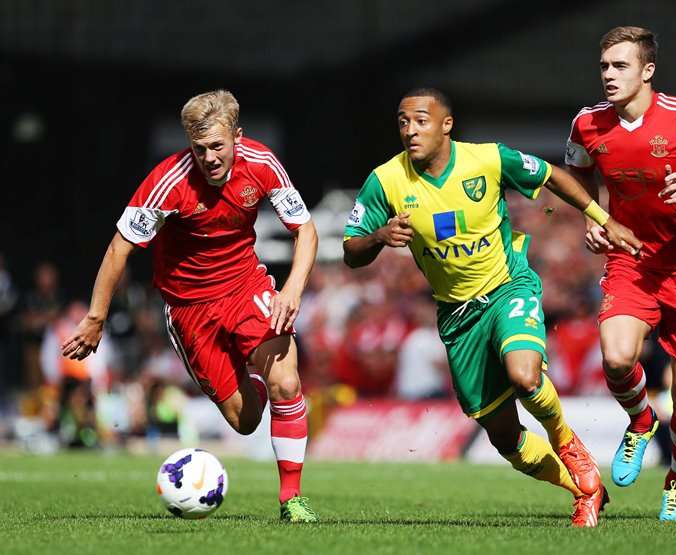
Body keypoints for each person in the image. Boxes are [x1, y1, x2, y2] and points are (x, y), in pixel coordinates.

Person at [343, 87, 642, 527]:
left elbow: (554, 177)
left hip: (507, 286)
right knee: (506, 440)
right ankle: (584, 489)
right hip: (457, 318)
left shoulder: (487, 159)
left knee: (525, 375)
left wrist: (604, 218)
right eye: (403, 122)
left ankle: (567, 442)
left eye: (421, 120)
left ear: (447, 124)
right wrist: (378, 237)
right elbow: (351, 251)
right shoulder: (386, 180)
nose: (410, 130)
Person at [61, 90, 320, 523]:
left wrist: (292, 289)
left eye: (218, 146)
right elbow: (119, 249)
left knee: (288, 383)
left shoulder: (262, 163)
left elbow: (306, 231)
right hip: (189, 310)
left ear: (237, 136)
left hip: (246, 287)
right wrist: (95, 318)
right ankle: (254, 373)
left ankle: (291, 500)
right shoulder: (169, 182)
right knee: (244, 421)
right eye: (199, 149)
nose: (209, 158)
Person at [564, 27, 676, 520]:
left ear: (647, 71)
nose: (608, 75)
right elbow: (576, 170)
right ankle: (641, 420)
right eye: (604, 66)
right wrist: (593, 216)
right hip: (632, 259)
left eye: (620, 66)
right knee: (619, 358)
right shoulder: (587, 124)